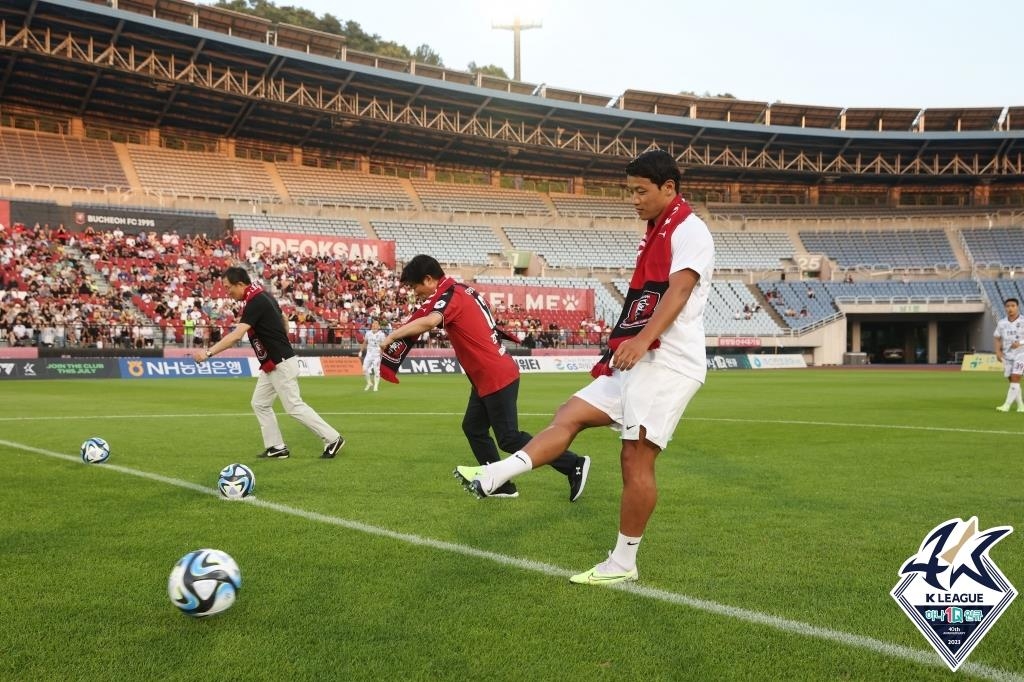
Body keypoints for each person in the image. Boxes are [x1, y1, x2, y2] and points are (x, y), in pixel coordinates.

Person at [453, 150, 714, 585]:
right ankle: (496, 473)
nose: (633, 200)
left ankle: (623, 562)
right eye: (629, 191)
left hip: (668, 359)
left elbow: (680, 290)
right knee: (569, 414)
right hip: (638, 356)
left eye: (640, 191)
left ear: (670, 188)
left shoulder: (690, 230)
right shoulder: (654, 232)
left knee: (635, 457)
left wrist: (643, 339)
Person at [379, 254, 590, 501]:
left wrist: (393, 336)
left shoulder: (451, 296)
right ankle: (501, 485)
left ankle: (573, 463)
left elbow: (429, 322)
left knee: (509, 438)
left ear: (428, 279)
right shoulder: (460, 290)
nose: (416, 293)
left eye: (415, 287)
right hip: (487, 375)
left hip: (494, 375)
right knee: (474, 428)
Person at [191, 266, 345, 459]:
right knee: (260, 403)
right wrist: (280, 338)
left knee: (294, 406)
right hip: (272, 362)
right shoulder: (264, 295)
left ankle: (333, 438)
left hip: (279, 361)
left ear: (240, 284)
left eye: (228, 287)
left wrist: (208, 353)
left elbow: (237, 335)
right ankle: (276, 446)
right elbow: (283, 319)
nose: (227, 292)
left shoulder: (255, 301)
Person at [993, 297, 1024, 412]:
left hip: (1021, 354)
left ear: (1017, 307)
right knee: (1012, 381)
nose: (1010, 308)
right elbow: (997, 337)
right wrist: (997, 351)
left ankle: (1006, 405)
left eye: (1013, 306)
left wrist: (1020, 343)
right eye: (1008, 306)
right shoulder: (1002, 323)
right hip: (1008, 355)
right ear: (1005, 308)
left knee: (1015, 378)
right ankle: (1021, 406)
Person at [358, 320, 388, 391]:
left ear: (378, 326)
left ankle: (376, 385)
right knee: (364, 369)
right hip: (369, 354)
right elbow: (365, 342)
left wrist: (381, 353)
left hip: (377, 355)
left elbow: (384, 345)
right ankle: (369, 383)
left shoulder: (381, 334)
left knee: (376, 370)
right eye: (373, 324)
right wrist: (361, 351)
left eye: (376, 324)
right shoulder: (368, 333)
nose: (374, 325)